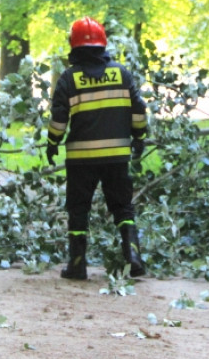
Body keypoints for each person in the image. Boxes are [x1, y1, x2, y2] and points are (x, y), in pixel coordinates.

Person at [46, 17, 149, 280]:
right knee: (123, 208)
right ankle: (133, 256)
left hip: (82, 159)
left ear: (74, 47)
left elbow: (59, 120)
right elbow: (139, 110)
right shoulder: (122, 74)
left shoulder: (69, 79)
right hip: (116, 156)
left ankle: (77, 265)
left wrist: (52, 143)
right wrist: (139, 137)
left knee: (79, 210)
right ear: (103, 45)